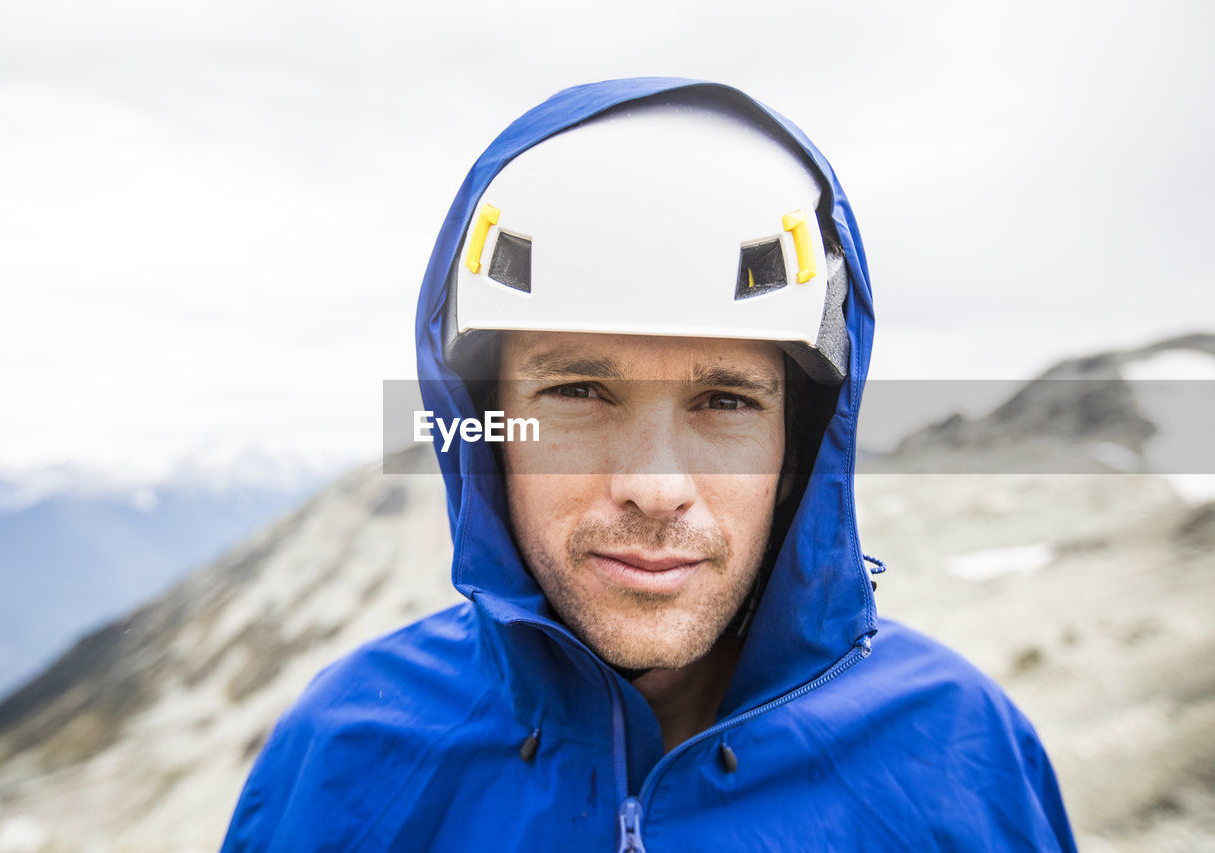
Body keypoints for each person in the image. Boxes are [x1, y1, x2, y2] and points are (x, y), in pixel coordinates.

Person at [221, 78, 1077, 851]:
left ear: (799, 444)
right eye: (581, 392)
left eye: (726, 402)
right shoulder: (341, 755)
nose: (657, 487)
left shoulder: (962, 756)